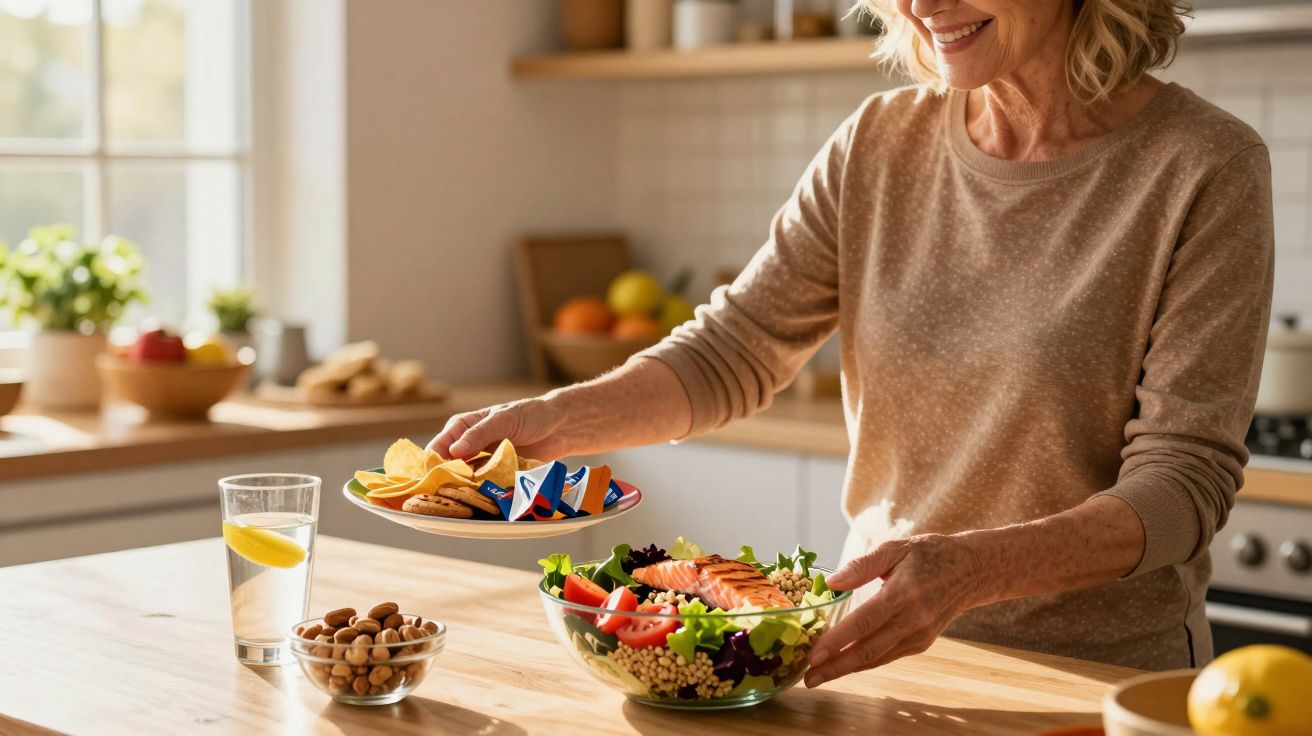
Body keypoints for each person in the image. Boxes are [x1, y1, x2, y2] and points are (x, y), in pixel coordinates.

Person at [430, 0, 1273, 682]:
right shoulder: (878, 142)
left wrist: (972, 570)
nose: (923, 4)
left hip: (1091, 679)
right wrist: (556, 420)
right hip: (877, 655)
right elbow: (734, 350)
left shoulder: (1204, 164)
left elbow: (1182, 486)